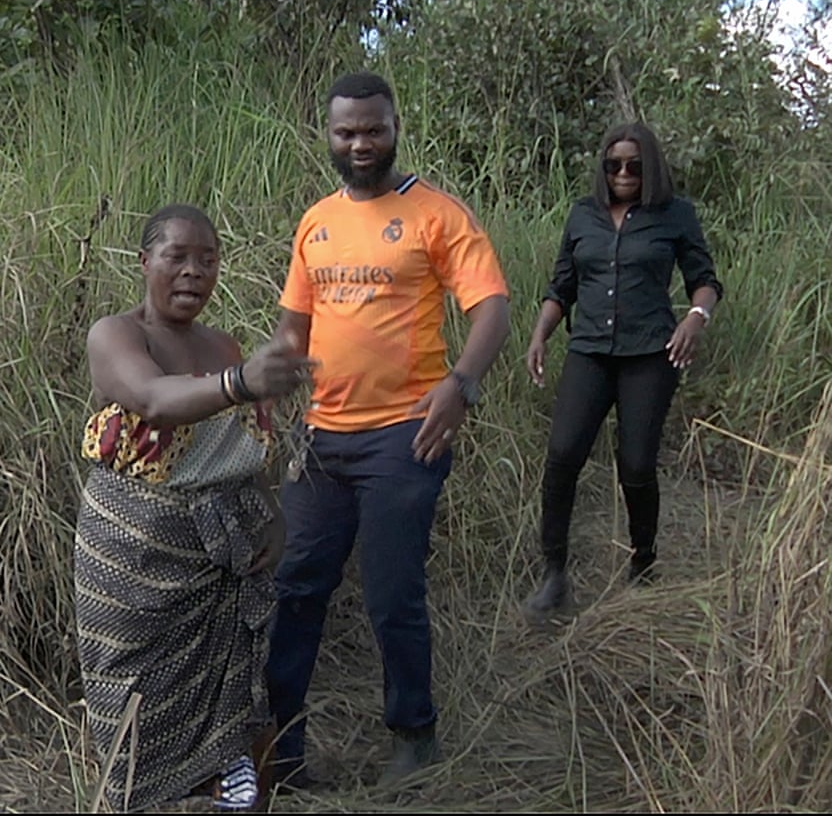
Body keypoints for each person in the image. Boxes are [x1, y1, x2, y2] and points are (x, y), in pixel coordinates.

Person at [265, 72, 512, 788]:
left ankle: (413, 734)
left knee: (391, 588)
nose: (360, 143)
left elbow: (491, 308)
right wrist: (269, 385)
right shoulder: (315, 220)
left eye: (372, 129)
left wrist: (460, 386)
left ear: (395, 126)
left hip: (407, 433)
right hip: (322, 437)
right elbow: (294, 324)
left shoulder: (436, 214)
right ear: (329, 136)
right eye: (347, 132)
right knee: (294, 586)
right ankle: (280, 747)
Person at [73, 203, 315, 812]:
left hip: (216, 553)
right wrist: (240, 382)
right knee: (130, 683)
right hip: (128, 555)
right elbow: (155, 400)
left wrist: (275, 517)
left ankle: (227, 790)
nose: (193, 272)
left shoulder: (223, 344)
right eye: (177, 257)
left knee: (226, 684)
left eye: (207, 260)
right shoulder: (117, 334)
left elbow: (241, 448)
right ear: (144, 262)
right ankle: (140, 797)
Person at [521, 122, 723, 620]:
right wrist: (540, 333)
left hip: (650, 354)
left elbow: (705, 280)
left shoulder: (675, 215)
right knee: (564, 453)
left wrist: (696, 318)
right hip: (588, 350)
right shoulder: (583, 216)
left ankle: (643, 561)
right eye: (614, 165)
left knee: (635, 462)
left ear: (649, 165)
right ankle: (554, 574)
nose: (624, 173)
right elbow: (561, 285)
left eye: (634, 164)